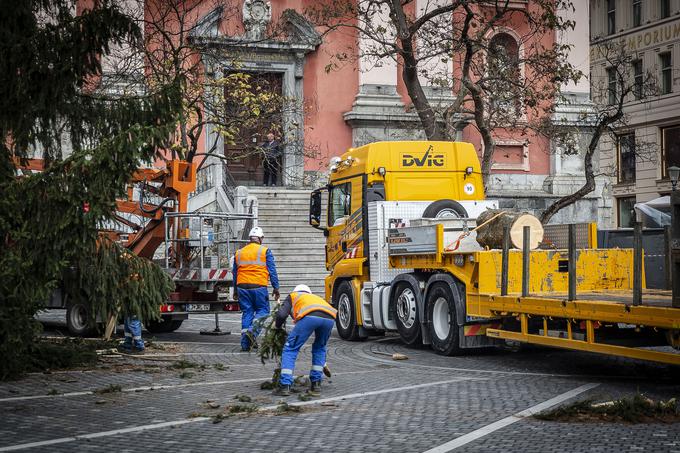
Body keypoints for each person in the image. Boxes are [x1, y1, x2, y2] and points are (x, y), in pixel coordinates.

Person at [273, 284, 337, 396]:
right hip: (330, 318)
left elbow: (281, 314)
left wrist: (277, 327)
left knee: (290, 348)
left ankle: (285, 385)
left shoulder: (293, 296)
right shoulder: (315, 298)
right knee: (320, 348)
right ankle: (316, 385)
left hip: (310, 317)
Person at [233, 226, 280, 351]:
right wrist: (276, 288)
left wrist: (235, 290)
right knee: (263, 311)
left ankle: (245, 344)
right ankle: (252, 332)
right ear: (261, 238)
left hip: (242, 286)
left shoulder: (239, 252)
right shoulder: (265, 251)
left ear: (250, 238)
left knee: (247, 312)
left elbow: (235, 273)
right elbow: (272, 271)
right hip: (258, 286)